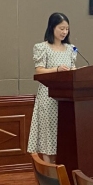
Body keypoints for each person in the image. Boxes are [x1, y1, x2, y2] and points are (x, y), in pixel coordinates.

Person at [27, 12, 76, 163]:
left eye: (67, 29)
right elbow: (39, 70)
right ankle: (49, 170)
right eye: (61, 28)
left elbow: (73, 69)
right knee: (48, 133)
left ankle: (62, 167)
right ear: (52, 27)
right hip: (48, 96)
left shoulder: (71, 48)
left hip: (66, 97)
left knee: (63, 132)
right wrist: (57, 69)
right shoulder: (42, 47)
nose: (64, 32)